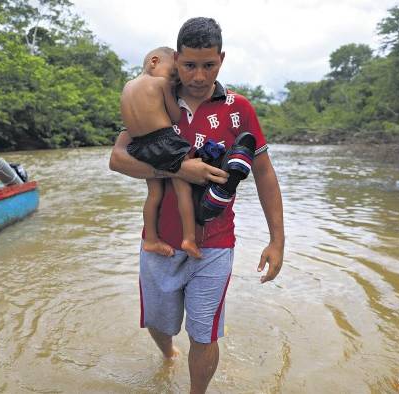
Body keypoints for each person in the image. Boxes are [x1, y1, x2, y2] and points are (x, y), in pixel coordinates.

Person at [109, 17, 284, 394]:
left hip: (216, 242)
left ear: (221, 59)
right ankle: (168, 354)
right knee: (159, 323)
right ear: (176, 58)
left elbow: (265, 174)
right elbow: (118, 159)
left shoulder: (239, 109)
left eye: (209, 65)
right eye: (189, 65)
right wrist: (177, 167)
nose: (200, 76)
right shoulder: (156, 95)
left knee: (204, 333)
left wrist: (277, 241)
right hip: (159, 241)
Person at [121, 46, 201, 259]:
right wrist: (173, 101)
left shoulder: (127, 87)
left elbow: (127, 121)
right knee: (183, 188)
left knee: (154, 194)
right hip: (163, 141)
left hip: (139, 146)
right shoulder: (161, 83)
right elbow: (175, 116)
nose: (174, 80)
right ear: (154, 62)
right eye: (173, 73)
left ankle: (151, 239)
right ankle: (189, 238)